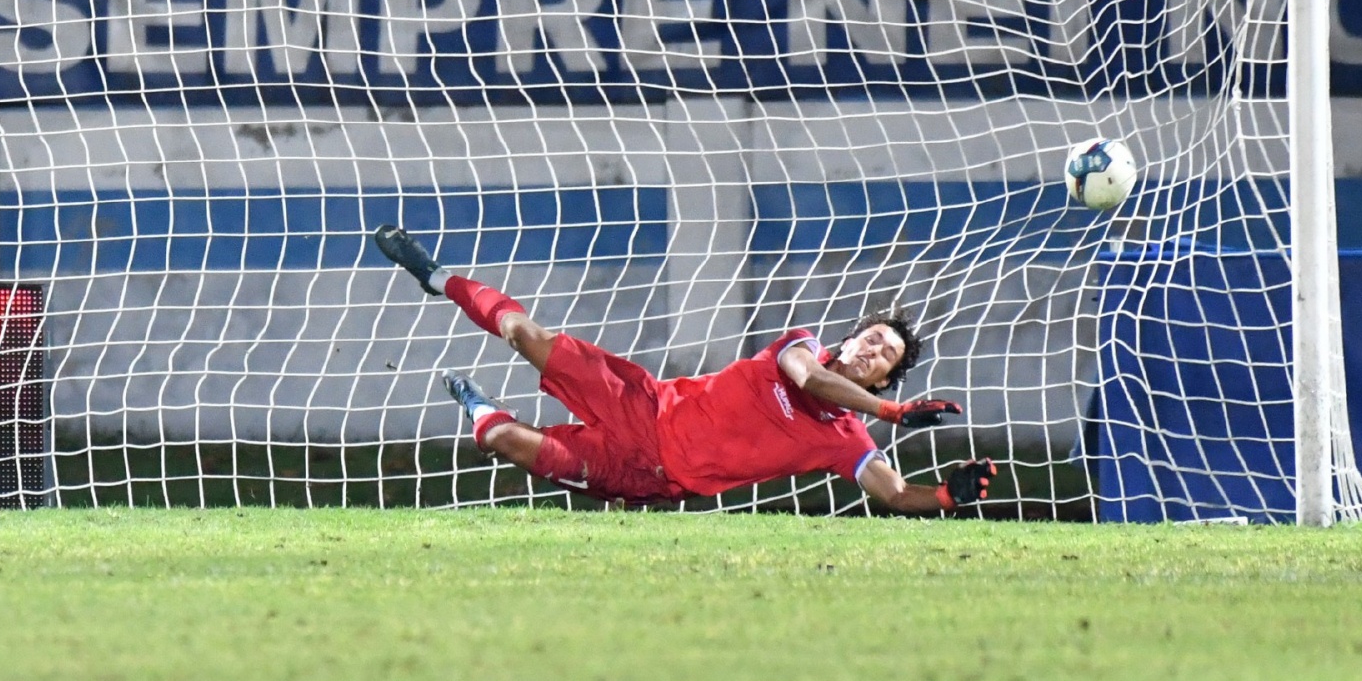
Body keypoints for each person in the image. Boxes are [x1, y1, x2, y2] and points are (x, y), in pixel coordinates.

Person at [373, 224, 995, 513]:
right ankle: (436, 276)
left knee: (505, 439)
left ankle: (478, 407)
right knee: (522, 331)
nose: (870, 350)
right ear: (850, 337)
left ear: (883, 379)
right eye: (871, 337)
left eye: (884, 356)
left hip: (651, 474)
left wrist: (944, 494)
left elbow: (891, 494)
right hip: (642, 401)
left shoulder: (847, 440)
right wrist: (891, 412)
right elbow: (810, 381)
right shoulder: (798, 348)